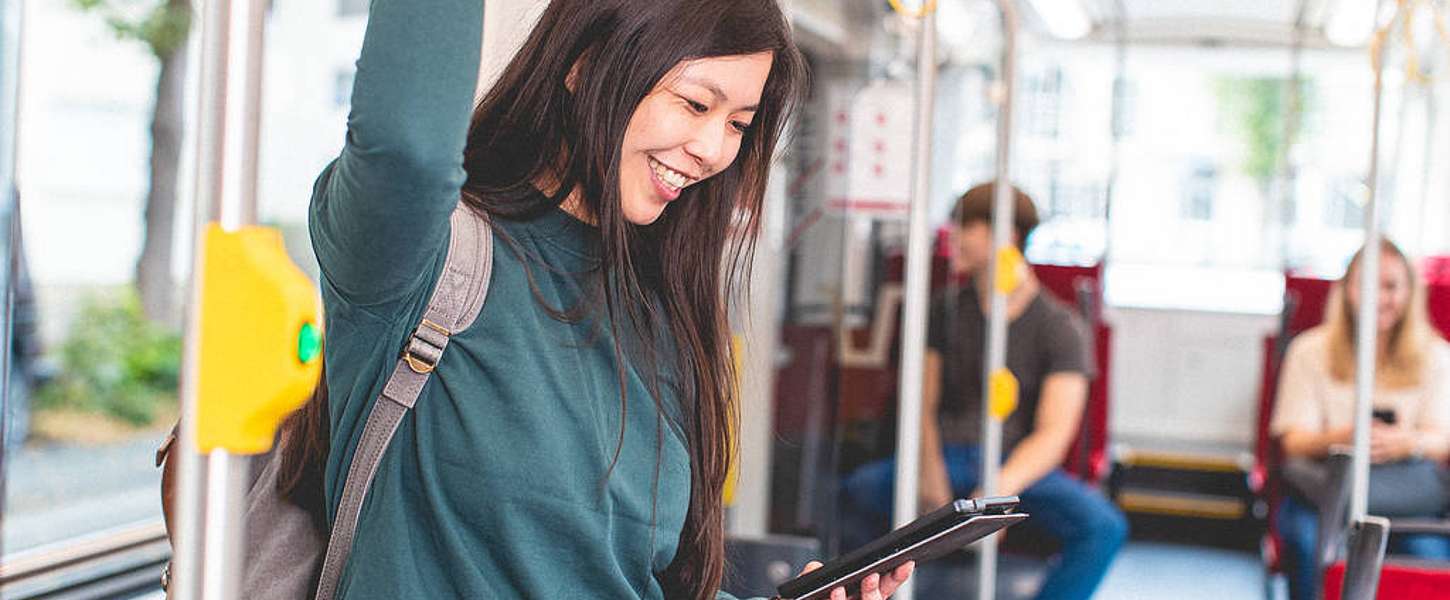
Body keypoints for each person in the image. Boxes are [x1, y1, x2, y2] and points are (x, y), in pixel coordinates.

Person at [299, 1, 913, 598]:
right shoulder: (422, 259)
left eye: (737, 124)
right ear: (585, 65)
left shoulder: (661, 314)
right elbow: (408, 146)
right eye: (696, 103)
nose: (714, 149)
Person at [842, 183, 1126, 600]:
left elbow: (1053, 433)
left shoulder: (1060, 327)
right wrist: (930, 473)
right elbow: (922, 404)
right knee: (856, 492)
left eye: (965, 227)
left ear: (1005, 235)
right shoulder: (945, 310)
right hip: (950, 456)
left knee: (1104, 527)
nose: (952, 236)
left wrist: (995, 491)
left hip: (1017, 467)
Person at [1272, 239, 1450, 600]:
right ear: (1347, 290)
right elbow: (1292, 441)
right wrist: (1345, 436)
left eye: (1390, 286)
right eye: (1367, 285)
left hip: (1408, 503)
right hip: (1324, 497)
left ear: (1409, 292)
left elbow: (1442, 438)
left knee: (1427, 559)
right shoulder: (1310, 351)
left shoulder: (1436, 355)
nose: (1379, 298)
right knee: (1310, 548)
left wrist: (1406, 442)